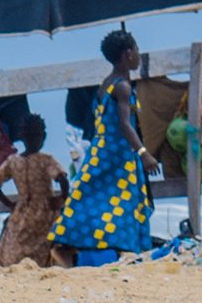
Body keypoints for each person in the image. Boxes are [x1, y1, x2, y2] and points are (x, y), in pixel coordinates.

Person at [52, 28, 158, 265]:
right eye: (137, 51)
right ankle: (73, 247)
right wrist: (144, 153)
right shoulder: (122, 87)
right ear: (127, 53)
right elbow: (124, 124)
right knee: (125, 203)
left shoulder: (105, 85)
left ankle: (73, 246)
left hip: (100, 152)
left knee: (91, 199)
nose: (139, 56)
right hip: (118, 156)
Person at [0, 115, 70, 267]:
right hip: (45, 210)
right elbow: (62, 179)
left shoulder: (14, 161)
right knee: (46, 245)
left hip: (22, 211)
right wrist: (62, 199)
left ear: (22, 137)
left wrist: (9, 203)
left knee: (16, 246)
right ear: (43, 136)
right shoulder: (46, 159)